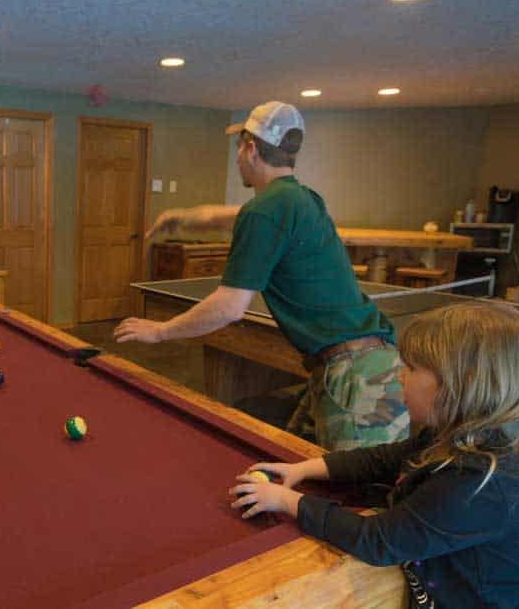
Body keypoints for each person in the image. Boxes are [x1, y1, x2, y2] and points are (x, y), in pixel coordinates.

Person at [115, 100, 408, 450]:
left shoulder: (266, 209)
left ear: (250, 149)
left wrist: (160, 331)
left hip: (356, 381)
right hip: (367, 363)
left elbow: (229, 308)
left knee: (355, 484)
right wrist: (185, 218)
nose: (238, 157)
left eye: (238, 147)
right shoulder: (302, 198)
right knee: (291, 458)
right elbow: (236, 216)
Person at [229, 302, 519, 607]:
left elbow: (379, 540)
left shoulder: (484, 482)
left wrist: (287, 501)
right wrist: (305, 469)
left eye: (411, 368)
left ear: (464, 384)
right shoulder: (455, 435)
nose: (399, 375)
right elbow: (388, 458)